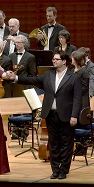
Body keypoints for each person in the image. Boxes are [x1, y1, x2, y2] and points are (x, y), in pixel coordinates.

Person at [7, 52, 82, 180]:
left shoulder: (73, 77)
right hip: (50, 114)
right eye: (53, 59)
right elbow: (32, 80)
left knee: (66, 144)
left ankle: (64, 169)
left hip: (66, 115)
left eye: (56, 59)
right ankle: (55, 170)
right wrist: (16, 78)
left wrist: (74, 115)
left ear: (64, 61)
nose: (54, 61)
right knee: (53, 144)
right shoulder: (48, 75)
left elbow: (77, 98)